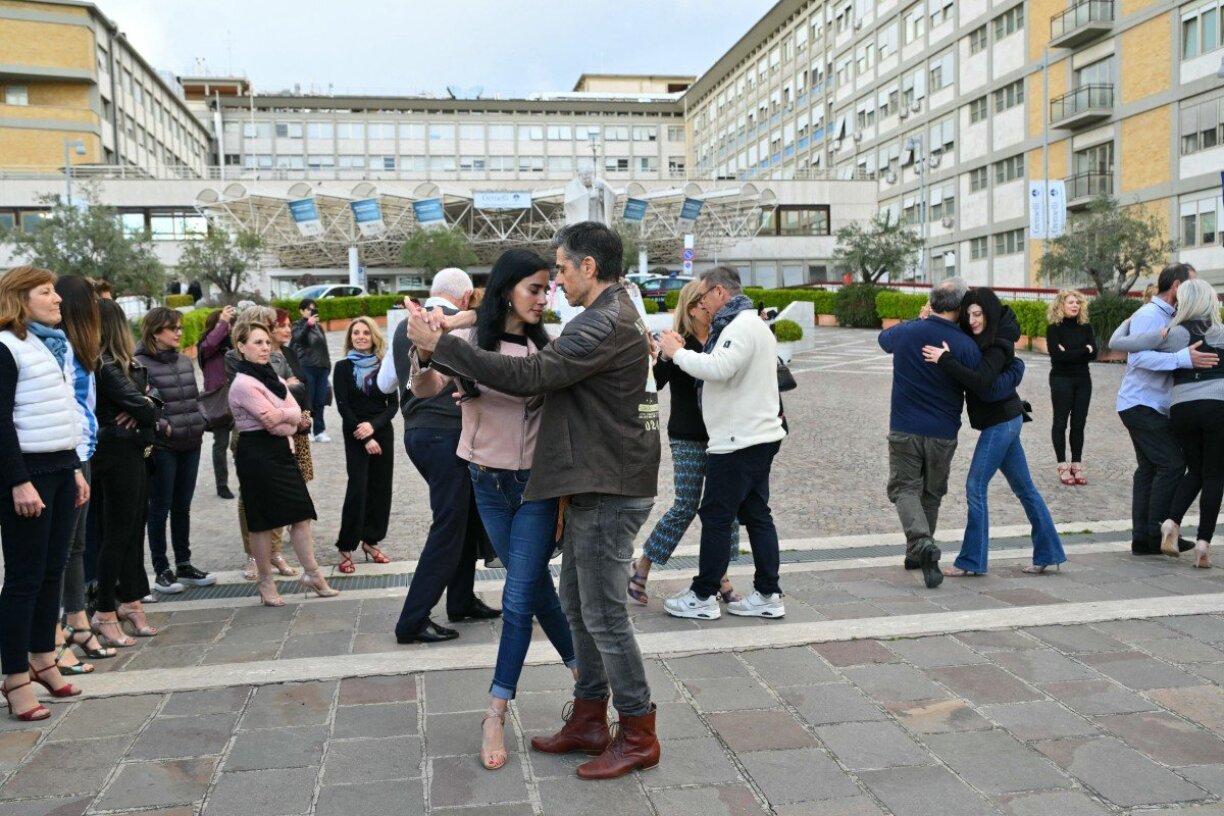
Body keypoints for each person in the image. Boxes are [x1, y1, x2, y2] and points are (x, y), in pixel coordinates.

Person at [407, 222, 662, 781]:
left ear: (588, 267)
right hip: (595, 480)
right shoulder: (609, 313)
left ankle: (638, 731)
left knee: (602, 614)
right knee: (576, 606)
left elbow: (535, 373)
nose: (558, 284)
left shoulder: (602, 321)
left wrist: (443, 342)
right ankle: (591, 719)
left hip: (609, 484)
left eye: (563, 270)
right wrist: (461, 321)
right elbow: (516, 317)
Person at [411, 248, 578, 771]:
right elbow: (425, 388)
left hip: (533, 489)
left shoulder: (545, 346)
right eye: (534, 287)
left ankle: (494, 711)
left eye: (548, 287)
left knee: (517, 597)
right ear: (508, 289)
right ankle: (586, 680)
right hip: (484, 481)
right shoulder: (464, 341)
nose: (544, 296)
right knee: (535, 589)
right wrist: (422, 356)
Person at [379, 268, 499, 645]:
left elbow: (385, 383)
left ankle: (461, 600)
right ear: (465, 299)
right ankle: (412, 620)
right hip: (450, 433)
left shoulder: (406, 326)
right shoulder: (460, 324)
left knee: (460, 516)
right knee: (449, 523)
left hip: (417, 434)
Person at [877, 278, 1022, 589]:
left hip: (904, 426)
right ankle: (918, 553)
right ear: (959, 308)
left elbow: (883, 339)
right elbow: (980, 380)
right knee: (931, 493)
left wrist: (919, 319)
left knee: (904, 489)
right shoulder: (965, 345)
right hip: (943, 431)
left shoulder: (908, 331)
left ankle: (921, 544)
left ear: (932, 303)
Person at [658, 268, 785, 620]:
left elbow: (718, 368)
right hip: (757, 434)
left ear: (718, 292)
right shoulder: (751, 324)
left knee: (716, 516)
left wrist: (676, 352)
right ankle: (767, 592)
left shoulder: (740, 325)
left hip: (737, 440)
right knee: (757, 514)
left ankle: (702, 596)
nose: (702, 303)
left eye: (704, 296)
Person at [922, 288, 1064, 575]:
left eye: (978, 314)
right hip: (1004, 420)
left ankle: (972, 562)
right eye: (969, 315)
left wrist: (945, 360)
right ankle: (1049, 553)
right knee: (1026, 490)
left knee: (975, 485)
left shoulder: (999, 344)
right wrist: (927, 319)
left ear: (988, 314)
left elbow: (982, 381)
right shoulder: (976, 338)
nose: (973, 320)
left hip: (1003, 421)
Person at [0, 267, 88, 721]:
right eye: (46, 292)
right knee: (23, 579)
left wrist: (73, 469)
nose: (57, 300)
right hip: (26, 472)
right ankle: (14, 677)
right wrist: (17, 480)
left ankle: (42, 659)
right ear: (19, 298)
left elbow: (62, 412)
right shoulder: (6, 346)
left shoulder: (47, 344)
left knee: (52, 571)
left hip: (58, 466)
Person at [628, 279, 741, 607]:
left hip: (723, 434)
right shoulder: (682, 342)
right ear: (694, 308)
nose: (713, 307)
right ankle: (643, 566)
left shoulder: (724, 340)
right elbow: (656, 383)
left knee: (726, 508)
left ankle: (720, 576)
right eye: (705, 302)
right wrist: (665, 355)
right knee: (686, 505)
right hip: (688, 436)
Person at [1108, 278, 1224, 568]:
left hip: (1177, 407)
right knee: (1181, 467)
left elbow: (1117, 343)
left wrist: (1126, 322)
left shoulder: (1169, 330)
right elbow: (1136, 359)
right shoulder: (1213, 331)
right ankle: (1173, 535)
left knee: (1154, 468)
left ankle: (1150, 536)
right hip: (1150, 404)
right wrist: (1183, 358)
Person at [228, 321, 338, 607]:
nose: (265, 347)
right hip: (256, 454)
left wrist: (286, 417)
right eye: (257, 342)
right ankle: (266, 582)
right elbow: (273, 420)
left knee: (301, 514)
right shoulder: (243, 383)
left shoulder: (272, 377)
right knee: (262, 521)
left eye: (267, 342)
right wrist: (288, 418)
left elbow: (292, 410)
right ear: (241, 346)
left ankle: (313, 575)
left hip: (281, 451)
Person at [90, 298, 160, 646]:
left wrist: (147, 403)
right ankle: (104, 611)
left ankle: (131, 602)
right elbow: (146, 409)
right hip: (116, 454)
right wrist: (145, 405)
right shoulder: (104, 365)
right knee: (117, 535)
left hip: (135, 452)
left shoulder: (124, 362)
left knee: (133, 532)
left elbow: (154, 400)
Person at [53, 275, 112, 675]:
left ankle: (76, 621)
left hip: (84, 450)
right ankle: (54, 633)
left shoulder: (80, 348)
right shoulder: (57, 347)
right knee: (58, 551)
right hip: (66, 456)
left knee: (76, 546)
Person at [136, 307, 215, 595]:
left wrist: (201, 417)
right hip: (164, 446)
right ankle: (161, 570)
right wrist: (163, 426)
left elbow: (196, 397)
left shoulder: (184, 360)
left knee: (182, 506)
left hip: (191, 441)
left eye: (180, 327)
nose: (179, 333)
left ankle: (184, 563)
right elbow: (143, 404)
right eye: (173, 328)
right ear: (156, 332)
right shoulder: (139, 363)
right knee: (160, 508)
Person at [227, 307, 303, 580]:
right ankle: (254, 555)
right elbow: (266, 403)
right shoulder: (234, 357)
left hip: (292, 434)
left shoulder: (283, 354)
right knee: (253, 497)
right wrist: (286, 404)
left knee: (286, 495)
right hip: (251, 436)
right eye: (271, 324)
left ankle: (275, 551)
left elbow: (299, 389)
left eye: (278, 325)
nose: (277, 330)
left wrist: (286, 407)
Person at [332, 316, 397, 573]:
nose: (360, 336)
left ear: (373, 337)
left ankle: (371, 541)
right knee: (358, 489)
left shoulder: (385, 366)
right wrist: (365, 435)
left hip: (381, 430)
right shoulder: (342, 367)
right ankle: (346, 545)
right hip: (355, 431)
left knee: (381, 489)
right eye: (356, 333)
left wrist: (375, 428)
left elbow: (393, 405)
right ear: (350, 337)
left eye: (365, 333)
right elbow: (343, 406)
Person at [1045, 290, 1096, 486]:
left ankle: (1076, 463)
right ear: (1061, 306)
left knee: (1079, 423)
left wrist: (1072, 352)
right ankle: (1062, 464)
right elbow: (1057, 356)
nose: (1075, 305)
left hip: (1083, 380)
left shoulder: (1086, 328)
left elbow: (1094, 353)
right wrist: (1084, 350)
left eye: (1078, 302)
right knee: (1060, 422)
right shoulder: (1053, 329)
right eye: (1071, 302)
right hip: (1061, 380)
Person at [198, 305, 237, 499]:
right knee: (220, 444)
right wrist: (223, 321)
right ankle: (222, 484)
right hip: (220, 402)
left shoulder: (232, 346)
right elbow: (210, 343)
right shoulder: (207, 347)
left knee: (239, 442)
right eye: (224, 325)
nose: (228, 328)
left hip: (238, 400)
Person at [291, 298, 331, 442]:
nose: (311, 312)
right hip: (306, 367)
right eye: (308, 309)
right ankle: (305, 430)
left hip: (321, 367)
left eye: (313, 309)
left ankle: (319, 430)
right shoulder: (297, 325)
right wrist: (308, 325)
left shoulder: (318, 327)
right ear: (301, 311)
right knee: (307, 401)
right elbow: (298, 340)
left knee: (320, 401)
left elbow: (323, 347)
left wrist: (328, 365)